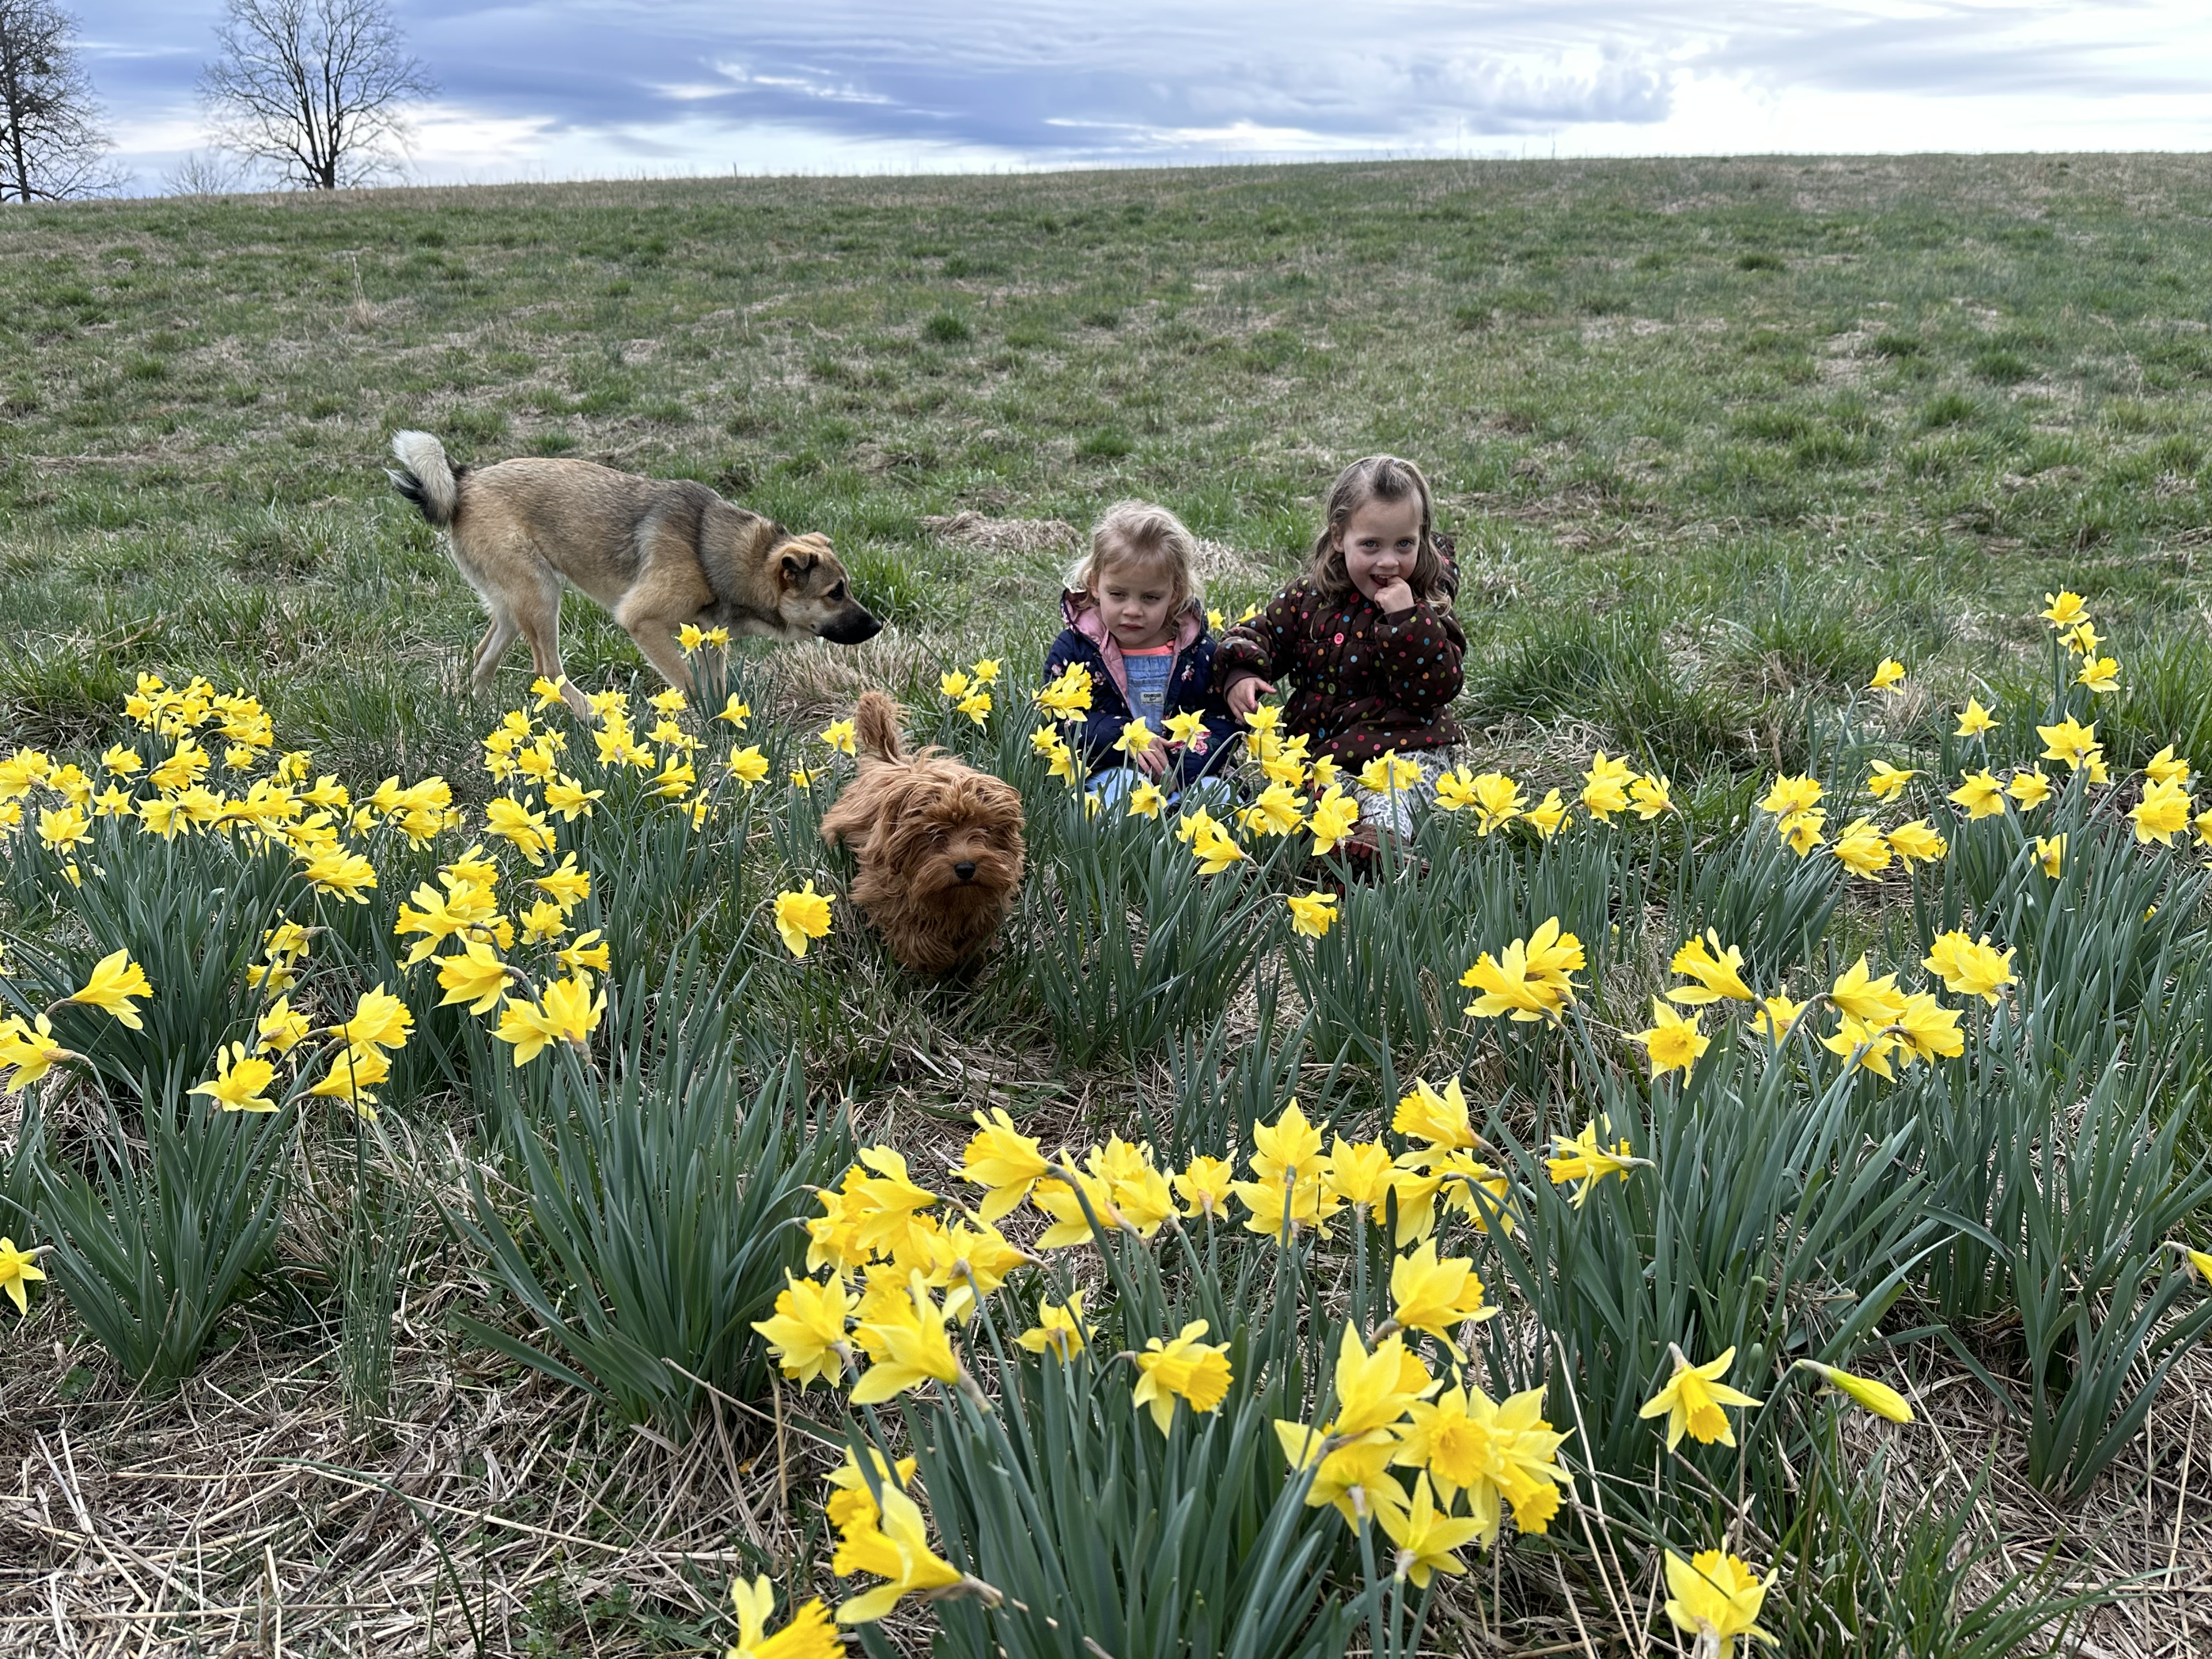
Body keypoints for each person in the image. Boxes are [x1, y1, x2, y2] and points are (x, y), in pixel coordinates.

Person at [1212, 455, 1466, 853]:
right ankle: (1339, 847)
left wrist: (1405, 622)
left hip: (1405, 748)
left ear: (1422, 538)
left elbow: (1438, 688)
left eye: (1405, 544)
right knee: (1289, 794)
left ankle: (1379, 849)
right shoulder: (1308, 599)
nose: (1389, 561)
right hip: (1322, 754)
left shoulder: (1426, 604)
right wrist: (1241, 671)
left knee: (1397, 796)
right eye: (1370, 545)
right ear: (1338, 537)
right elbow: (1261, 635)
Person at [1043, 500, 1241, 804]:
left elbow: (1221, 721)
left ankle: (1190, 843)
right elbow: (1058, 720)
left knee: (1220, 796)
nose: (1132, 611)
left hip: (1186, 773)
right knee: (1127, 790)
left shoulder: (1197, 650)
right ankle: (1140, 847)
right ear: (1095, 583)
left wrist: (1181, 770)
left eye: (1150, 598)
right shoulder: (1076, 649)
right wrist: (1126, 738)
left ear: (1174, 592)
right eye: (1118, 594)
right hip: (1110, 768)